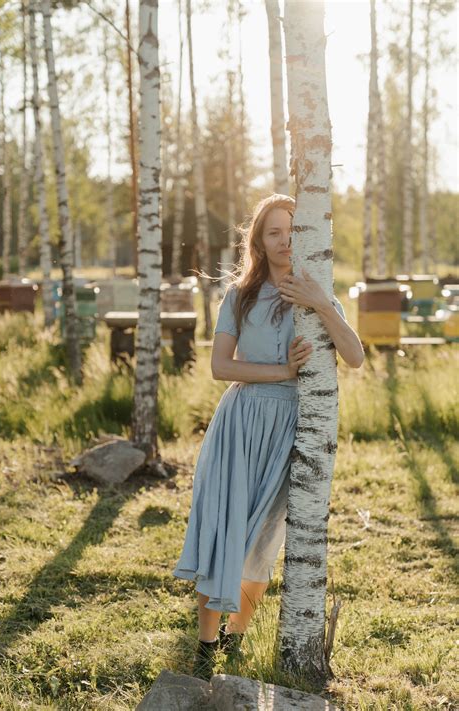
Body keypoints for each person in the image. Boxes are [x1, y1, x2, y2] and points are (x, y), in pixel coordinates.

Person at [172, 193, 364, 679]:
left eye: (291, 231)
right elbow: (220, 367)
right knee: (225, 526)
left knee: (263, 540)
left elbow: (356, 356)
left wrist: (321, 302)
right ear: (258, 240)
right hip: (241, 423)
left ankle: (235, 640)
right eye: (273, 231)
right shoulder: (239, 296)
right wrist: (283, 372)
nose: (283, 240)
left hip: (290, 433)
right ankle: (205, 645)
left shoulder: (319, 294)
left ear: (305, 237)